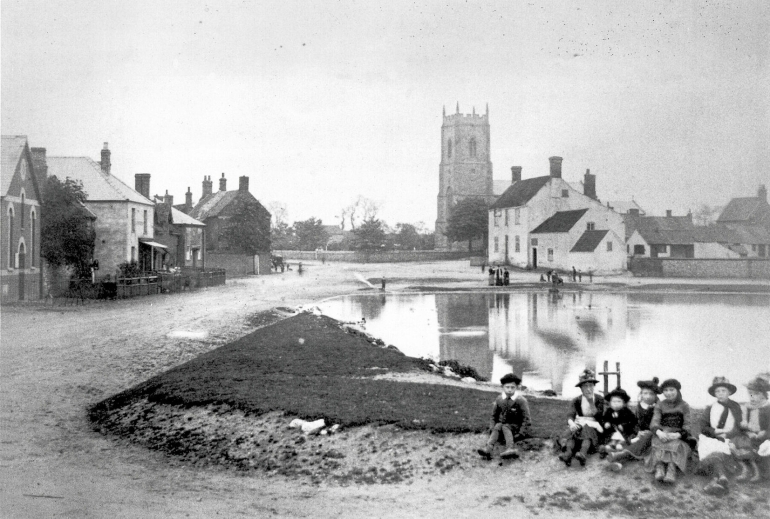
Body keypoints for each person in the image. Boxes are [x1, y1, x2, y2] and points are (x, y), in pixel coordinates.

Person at [699, 377, 744, 495]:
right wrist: (715, 432)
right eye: (717, 391)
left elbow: (739, 426)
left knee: (722, 449)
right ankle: (721, 477)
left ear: (729, 392)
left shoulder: (735, 407)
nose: (720, 394)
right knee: (711, 448)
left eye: (723, 391)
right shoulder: (710, 408)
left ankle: (715, 479)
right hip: (713, 437)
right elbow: (703, 427)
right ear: (714, 394)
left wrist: (727, 434)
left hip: (730, 436)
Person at [607, 377, 661, 471]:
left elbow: (659, 424)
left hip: (653, 434)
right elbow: (636, 422)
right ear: (641, 394)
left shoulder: (659, 407)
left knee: (644, 441)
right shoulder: (640, 406)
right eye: (645, 393)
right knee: (629, 440)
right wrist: (638, 432)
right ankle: (617, 460)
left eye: (651, 394)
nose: (648, 396)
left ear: (655, 395)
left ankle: (619, 456)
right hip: (640, 433)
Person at [646, 378, 693, 484]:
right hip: (663, 432)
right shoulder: (660, 404)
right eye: (666, 390)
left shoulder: (684, 405)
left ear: (677, 391)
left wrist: (678, 434)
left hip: (677, 433)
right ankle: (660, 467)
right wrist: (658, 432)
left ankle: (671, 469)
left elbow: (687, 425)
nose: (668, 393)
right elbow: (655, 421)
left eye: (671, 390)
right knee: (658, 442)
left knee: (675, 444)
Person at [558, 369, 606, 467]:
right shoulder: (577, 400)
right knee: (572, 433)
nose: (588, 389)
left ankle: (583, 454)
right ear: (581, 388)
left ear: (594, 386)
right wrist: (572, 423)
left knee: (587, 431)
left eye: (591, 386)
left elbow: (599, 416)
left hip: (594, 428)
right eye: (585, 386)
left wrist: (591, 403)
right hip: (581, 424)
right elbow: (570, 414)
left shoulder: (599, 399)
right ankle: (568, 454)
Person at [478, 373, 531, 460]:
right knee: (498, 425)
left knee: (505, 426)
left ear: (516, 387)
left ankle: (510, 448)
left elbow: (527, 419)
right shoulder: (499, 399)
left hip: (515, 427)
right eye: (507, 387)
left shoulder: (521, 401)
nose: (510, 390)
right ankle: (488, 448)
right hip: (502, 427)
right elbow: (493, 416)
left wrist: (521, 433)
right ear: (503, 387)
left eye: (512, 387)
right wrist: (492, 427)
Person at [735, 376, 770, 482]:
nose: (752, 397)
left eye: (756, 394)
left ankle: (759, 473)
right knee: (737, 442)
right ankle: (746, 470)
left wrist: (764, 434)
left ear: (763, 395)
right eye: (750, 393)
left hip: (764, 438)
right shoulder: (747, 408)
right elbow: (741, 425)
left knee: (761, 448)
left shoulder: (767, 408)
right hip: (750, 437)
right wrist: (747, 431)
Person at [598, 388, 638, 459]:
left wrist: (624, 425)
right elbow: (603, 419)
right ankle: (608, 448)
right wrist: (606, 423)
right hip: (612, 432)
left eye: (619, 401)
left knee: (622, 442)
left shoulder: (627, 412)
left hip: (624, 433)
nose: (616, 404)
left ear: (624, 403)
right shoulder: (608, 411)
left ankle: (618, 449)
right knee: (611, 440)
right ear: (610, 403)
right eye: (613, 401)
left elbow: (633, 421)